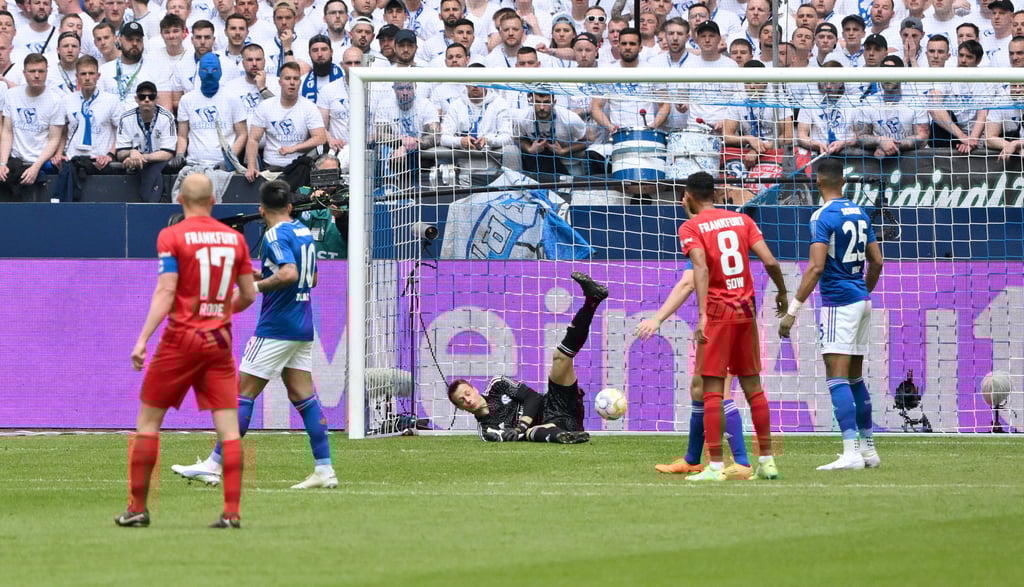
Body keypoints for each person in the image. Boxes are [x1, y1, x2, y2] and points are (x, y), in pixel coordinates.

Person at [172, 178, 338, 489]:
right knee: (304, 397)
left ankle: (214, 464)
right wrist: (255, 272)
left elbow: (288, 274)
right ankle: (324, 469)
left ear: (261, 210)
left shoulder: (274, 234)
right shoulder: (302, 231)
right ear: (289, 206)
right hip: (302, 324)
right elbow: (310, 278)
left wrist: (254, 286)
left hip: (276, 326)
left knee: (242, 396)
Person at [116, 173, 256, 528]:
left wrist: (142, 338)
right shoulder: (235, 240)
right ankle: (231, 513)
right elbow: (250, 294)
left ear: (180, 200)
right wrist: (222, 310)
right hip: (219, 344)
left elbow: (166, 290)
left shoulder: (172, 236)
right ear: (213, 201)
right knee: (227, 428)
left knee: (148, 422)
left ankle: (137, 509)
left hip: (180, 340)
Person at [676, 171, 788, 481]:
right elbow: (770, 262)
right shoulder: (742, 221)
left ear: (688, 196)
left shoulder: (691, 226)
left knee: (712, 390)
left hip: (717, 313)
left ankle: (714, 467)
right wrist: (781, 291)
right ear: (715, 193)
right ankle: (766, 461)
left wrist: (701, 315)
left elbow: (699, 267)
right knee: (754, 388)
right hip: (745, 313)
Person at [778, 157, 884, 470]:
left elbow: (816, 266)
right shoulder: (860, 212)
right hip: (862, 299)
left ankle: (850, 452)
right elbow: (877, 261)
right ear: (844, 181)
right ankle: (868, 450)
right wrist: (861, 290)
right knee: (854, 377)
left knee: (836, 377)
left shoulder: (822, 216)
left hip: (840, 302)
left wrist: (792, 311)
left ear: (817, 181)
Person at [447, 271, 607, 444]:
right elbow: (514, 439)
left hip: (556, 402)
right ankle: (564, 437)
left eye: (467, 393)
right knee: (532, 432)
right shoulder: (486, 430)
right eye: (462, 401)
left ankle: (592, 300)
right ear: (460, 408)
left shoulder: (497, 386)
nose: (468, 400)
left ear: (474, 389)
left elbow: (534, 398)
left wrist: (519, 427)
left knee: (560, 357)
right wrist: (519, 432)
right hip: (551, 426)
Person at [245, 61, 327, 180]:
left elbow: (321, 137)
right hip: (270, 167)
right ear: (280, 82)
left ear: (300, 82)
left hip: (298, 168)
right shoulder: (266, 106)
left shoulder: (309, 107)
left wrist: (294, 148)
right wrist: (251, 167)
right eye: (287, 78)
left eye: (296, 78)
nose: (292, 83)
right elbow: (253, 139)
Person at [0, 53, 63, 202]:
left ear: (47, 72)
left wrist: (36, 167)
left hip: (41, 164)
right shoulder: (12, 95)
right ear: (24, 73)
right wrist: (2, 163)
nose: (36, 75)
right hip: (14, 161)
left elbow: (54, 138)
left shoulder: (56, 100)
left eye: (41, 71)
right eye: (32, 71)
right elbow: (7, 132)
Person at [116, 81, 177, 202]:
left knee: (154, 169)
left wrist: (141, 157)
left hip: (159, 164)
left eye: (151, 96)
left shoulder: (167, 117)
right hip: (134, 167)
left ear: (156, 98)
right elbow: (120, 152)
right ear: (136, 99)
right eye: (142, 97)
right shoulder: (126, 118)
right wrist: (131, 153)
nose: (147, 100)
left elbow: (168, 153)